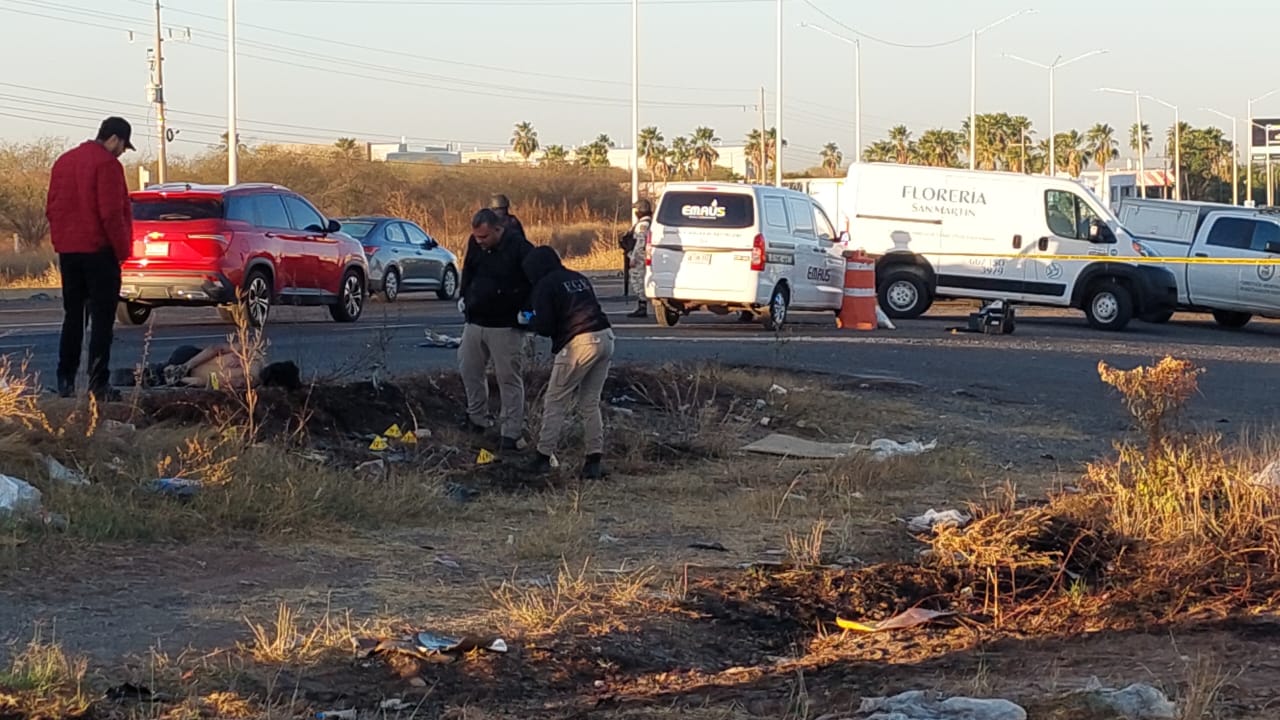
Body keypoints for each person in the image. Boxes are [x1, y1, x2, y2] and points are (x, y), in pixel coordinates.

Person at [45, 117, 135, 400]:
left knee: (73, 316)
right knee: (102, 319)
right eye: (122, 146)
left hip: (69, 252)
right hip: (99, 252)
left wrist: (62, 240)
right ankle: (98, 382)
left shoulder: (64, 161)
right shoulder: (107, 165)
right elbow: (111, 213)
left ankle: (66, 379)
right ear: (114, 139)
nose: (121, 151)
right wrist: (123, 251)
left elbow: (52, 207)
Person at [521, 246, 615, 479]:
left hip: (578, 344)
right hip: (606, 336)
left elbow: (546, 326)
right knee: (589, 402)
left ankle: (543, 456)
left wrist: (528, 321)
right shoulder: (577, 277)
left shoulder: (544, 285)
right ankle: (594, 459)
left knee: (555, 399)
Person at [458, 208, 535, 450]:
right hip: (476, 320)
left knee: (508, 378)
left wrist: (527, 312)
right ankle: (476, 418)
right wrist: (464, 296)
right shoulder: (475, 243)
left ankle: (511, 432)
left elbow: (536, 283)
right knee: (469, 369)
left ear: (498, 229)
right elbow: (468, 270)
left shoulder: (521, 248)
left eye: (484, 237)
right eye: (476, 237)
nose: (479, 242)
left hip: (506, 325)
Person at [111, 344, 302, 391]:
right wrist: (183, 376)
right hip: (189, 369)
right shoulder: (250, 381)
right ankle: (123, 378)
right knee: (155, 376)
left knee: (155, 371)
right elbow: (211, 383)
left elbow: (215, 348)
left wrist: (186, 366)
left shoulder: (253, 352)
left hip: (188, 356)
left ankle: (120, 376)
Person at [625, 198, 653, 318]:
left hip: (639, 257)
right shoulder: (647, 222)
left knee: (638, 280)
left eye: (637, 209)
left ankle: (642, 306)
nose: (636, 212)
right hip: (641, 255)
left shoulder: (643, 224)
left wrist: (633, 257)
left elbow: (640, 242)